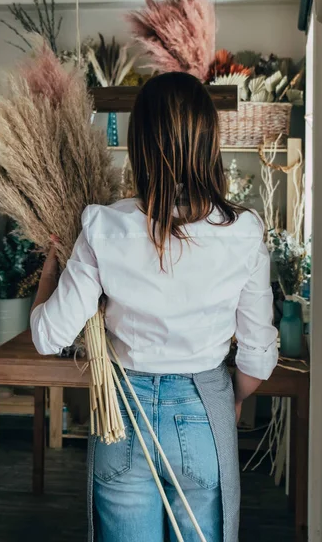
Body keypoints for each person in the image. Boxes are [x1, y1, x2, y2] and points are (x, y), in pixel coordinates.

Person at [31, 72, 278, 542]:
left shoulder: (103, 226)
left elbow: (48, 336)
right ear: (210, 143)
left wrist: (50, 271)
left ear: (140, 144)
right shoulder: (243, 232)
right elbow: (257, 357)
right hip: (203, 413)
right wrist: (230, 399)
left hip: (120, 415)